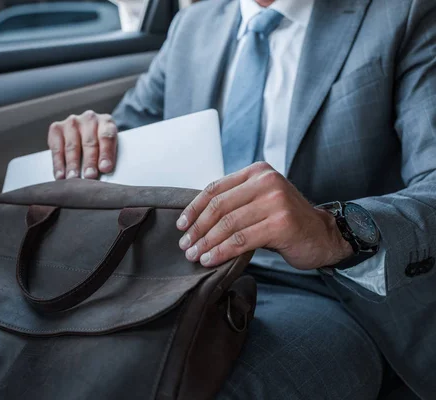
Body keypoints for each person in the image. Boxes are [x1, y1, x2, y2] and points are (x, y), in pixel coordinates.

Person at [45, 0, 436, 398]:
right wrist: (94, 139)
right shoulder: (195, 23)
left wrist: (331, 231)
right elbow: (130, 134)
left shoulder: (402, 14)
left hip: (320, 289)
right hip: (177, 277)